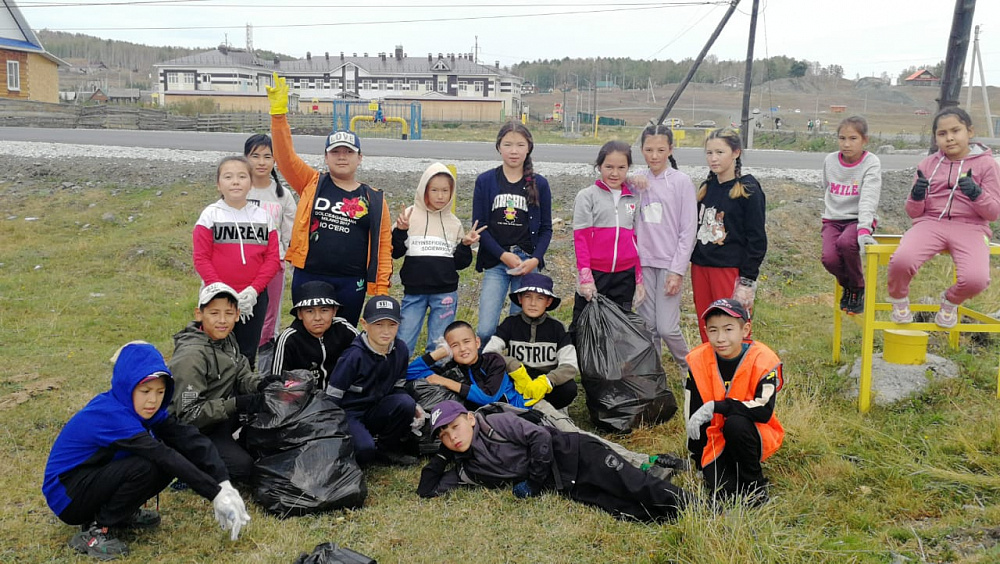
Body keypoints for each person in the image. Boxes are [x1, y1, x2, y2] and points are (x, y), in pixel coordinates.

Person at [43, 342, 250, 560]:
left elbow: (189, 438)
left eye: (160, 392)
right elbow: (162, 455)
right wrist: (214, 494)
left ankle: (121, 512)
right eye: (145, 391)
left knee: (172, 451)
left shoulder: (144, 410)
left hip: (93, 477)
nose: (153, 400)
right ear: (127, 386)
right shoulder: (111, 414)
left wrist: (223, 482)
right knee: (148, 464)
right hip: (67, 495)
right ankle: (97, 530)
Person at [408, 320, 679, 476]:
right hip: (512, 426)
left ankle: (644, 462)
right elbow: (409, 372)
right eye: (455, 345)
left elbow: (488, 395)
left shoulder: (493, 360)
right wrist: (439, 354)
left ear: (478, 342)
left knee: (578, 437)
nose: (462, 349)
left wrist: (445, 382)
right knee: (566, 453)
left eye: (466, 342)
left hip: (533, 409)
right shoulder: (454, 366)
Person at [417, 400, 690, 522]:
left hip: (577, 453)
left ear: (469, 419)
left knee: (635, 485)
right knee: (622, 508)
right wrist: (444, 454)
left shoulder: (495, 423)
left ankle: (700, 507)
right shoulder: (469, 468)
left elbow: (540, 438)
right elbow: (427, 489)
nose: (452, 436)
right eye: (444, 435)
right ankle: (678, 520)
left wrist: (534, 482)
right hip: (566, 484)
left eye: (454, 427)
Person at [267, 72, 392, 326]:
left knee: (344, 337)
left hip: (351, 282)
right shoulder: (311, 182)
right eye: (335, 152)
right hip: (310, 276)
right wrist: (279, 117)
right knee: (307, 335)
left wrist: (380, 290)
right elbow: (285, 158)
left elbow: (383, 247)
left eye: (348, 151)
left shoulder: (374, 198)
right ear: (326, 157)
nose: (342, 156)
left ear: (360, 158)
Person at [887, 107, 1000, 328]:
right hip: (930, 223)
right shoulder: (927, 165)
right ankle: (898, 299)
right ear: (935, 138)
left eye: (955, 131)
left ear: (970, 132)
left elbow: (993, 213)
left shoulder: (987, 165)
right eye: (942, 133)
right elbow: (913, 212)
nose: (949, 138)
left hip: (971, 227)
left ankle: (950, 301)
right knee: (902, 260)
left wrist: (976, 194)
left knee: (976, 279)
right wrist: (916, 196)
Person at [168, 283, 271, 482]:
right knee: (243, 468)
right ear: (199, 314)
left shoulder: (227, 337)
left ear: (237, 315)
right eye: (214, 313)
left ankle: (229, 443)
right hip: (191, 430)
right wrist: (236, 404)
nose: (222, 320)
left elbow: (241, 373)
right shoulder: (191, 357)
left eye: (228, 313)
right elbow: (188, 415)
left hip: (217, 417)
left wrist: (262, 384)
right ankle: (184, 464)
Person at [685, 299, 783, 504]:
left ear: (745, 330)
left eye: (728, 329)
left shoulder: (764, 359)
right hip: (715, 438)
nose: (721, 338)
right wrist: (698, 459)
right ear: (706, 331)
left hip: (751, 432)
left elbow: (763, 411)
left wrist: (717, 407)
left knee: (736, 424)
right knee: (723, 493)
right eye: (713, 330)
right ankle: (722, 468)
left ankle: (755, 487)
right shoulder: (697, 360)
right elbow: (693, 413)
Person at [193, 156, 281, 368]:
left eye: (242, 177)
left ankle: (243, 388)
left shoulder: (264, 217)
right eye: (228, 177)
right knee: (214, 350)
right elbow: (201, 258)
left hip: (253, 299)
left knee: (246, 353)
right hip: (217, 297)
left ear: (251, 183)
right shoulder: (209, 216)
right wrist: (221, 291)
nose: (235, 182)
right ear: (218, 184)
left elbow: (272, 259)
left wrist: (254, 290)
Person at [472, 121, 553, 342]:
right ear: (499, 147)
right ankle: (486, 361)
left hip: (527, 263)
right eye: (508, 144)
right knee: (486, 329)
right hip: (496, 261)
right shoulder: (485, 181)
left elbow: (546, 229)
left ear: (529, 148)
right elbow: (480, 227)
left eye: (520, 145)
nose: (514, 151)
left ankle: (513, 363)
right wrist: (502, 255)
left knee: (521, 327)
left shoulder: (540, 184)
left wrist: (535, 260)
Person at [393, 162, 484, 357]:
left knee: (439, 344)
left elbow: (459, 264)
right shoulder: (409, 216)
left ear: (452, 192)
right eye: (434, 190)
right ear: (424, 190)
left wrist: (465, 245)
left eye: (445, 190)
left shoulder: (454, 222)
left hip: (445, 294)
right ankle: (398, 372)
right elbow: (395, 252)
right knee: (404, 340)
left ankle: (435, 374)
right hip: (414, 292)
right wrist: (400, 231)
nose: (440, 196)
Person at [690, 128, 767, 343]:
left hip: (728, 269)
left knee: (732, 326)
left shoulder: (747, 188)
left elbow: (757, 238)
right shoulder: (707, 187)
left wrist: (747, 281)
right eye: (709, 153)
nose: (713, 158)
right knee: (708, 326)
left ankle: (741, 364)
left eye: (719, 152)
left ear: (735, 153)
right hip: (701, 267)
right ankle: (711, 364)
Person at [325, 296, 421, 466]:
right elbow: (332, 398)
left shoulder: (401, 350)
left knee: (407, 403)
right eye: (378, 324)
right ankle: (357, 447)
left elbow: (398, 387)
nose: (386, 331)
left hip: (377, 408)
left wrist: (414, 407)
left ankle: (387, 450)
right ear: (364, 324)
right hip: (351, 413)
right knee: (364, 451)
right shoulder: (353, 356)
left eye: (392, 325)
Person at [633, 124, 697, 370]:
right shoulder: (638, 180)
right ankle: (654, 374)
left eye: (660, 150)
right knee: (648, 326)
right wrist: (631, 178)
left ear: (671, 149)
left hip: (669, 264)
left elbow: (688, 230)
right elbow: (610, 180)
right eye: (649, 150)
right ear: (641, 150)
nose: (654, 156)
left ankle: (689, 368)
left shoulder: (681, 182)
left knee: (667, 327)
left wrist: (677, 270)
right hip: (643, 263)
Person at [572, 140, 643, 331]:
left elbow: (636, 239)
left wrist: (638, 279)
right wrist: (586, 277)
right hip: (596, 272)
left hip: (625, 275)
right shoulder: (587, 196)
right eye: (609, 167)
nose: (614, 173)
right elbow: (581, 239)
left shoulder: (633, 197)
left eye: (621, 168)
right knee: (584, 325)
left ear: (628, 168)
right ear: (599, 166)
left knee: (619, 327)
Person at [482, 272, 578, 410]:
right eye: (528, 297)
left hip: (544, 382)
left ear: (548, 302)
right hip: (518, 381)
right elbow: (489, 353)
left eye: (540, 298)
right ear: (520, 299)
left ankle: (551, 408)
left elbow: (570, 365)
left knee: (569, 388)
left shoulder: (557, 328)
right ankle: (514, 405)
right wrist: (512, 365)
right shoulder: (510, 323)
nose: (533, 303)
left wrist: (548, 381)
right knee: (492, 379)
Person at [243, 134, 298, 368]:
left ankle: (265, 372)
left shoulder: (282, 195)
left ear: (275, 160)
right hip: (242, 264)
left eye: (267, 156)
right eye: (255, 156)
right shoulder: (239, 190)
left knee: (269, 319)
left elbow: (289, 235)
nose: (261, 162)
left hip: (274, 266)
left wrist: (286, 262)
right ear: (246, 158)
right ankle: (240, 366)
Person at [820, 116, 882, 315]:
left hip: (858, 218)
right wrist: (830, 212)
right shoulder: (830, 161)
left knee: (846, 243)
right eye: (842, 138)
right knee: (829, 259)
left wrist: (864, 229)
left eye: (853, 138)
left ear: (864, 140)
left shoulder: (871, 163)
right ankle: (848, 285)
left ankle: (858, 287)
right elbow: (826, 187)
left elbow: (869, 198)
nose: (846, 144)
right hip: (833, 219)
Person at [271, 280, 358, 388]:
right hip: (302, 396)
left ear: (334, 311)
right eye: (310, 311)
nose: (317, 318)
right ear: (299, 314)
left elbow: (367, 357)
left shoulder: (345, 330)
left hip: (341, 394)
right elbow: (277, 383)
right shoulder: (288, 339)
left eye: (324, 310)